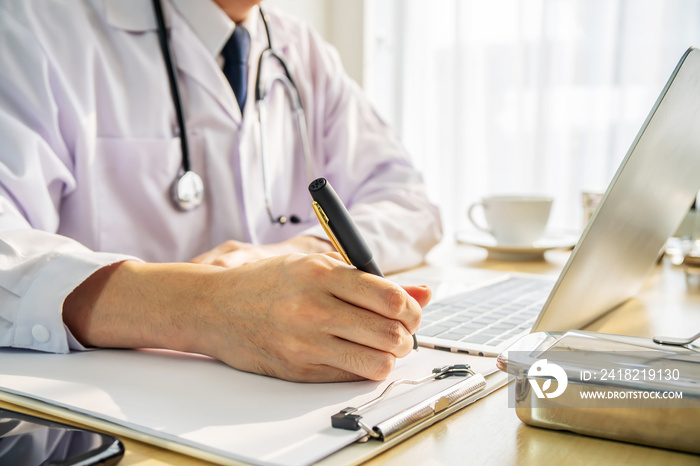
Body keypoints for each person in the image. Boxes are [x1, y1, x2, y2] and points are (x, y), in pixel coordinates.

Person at [0, 0, 442, 382]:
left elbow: (410, 202)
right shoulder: (37, 26)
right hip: (104, 414)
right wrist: (204, 306)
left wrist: (289, 255)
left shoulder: (301, 49)